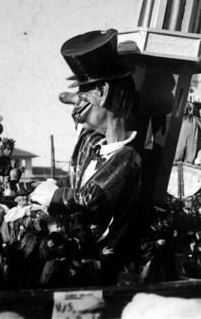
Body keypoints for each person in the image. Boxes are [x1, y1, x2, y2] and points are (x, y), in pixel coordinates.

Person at [59, 28, 141, 285]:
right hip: (76, 272)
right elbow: (72, 106)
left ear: (103, 92)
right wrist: (79, 99)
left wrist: (49, 195)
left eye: (84, 94)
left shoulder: (125, 159)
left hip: (101, 278)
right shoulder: (92, 142)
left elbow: (87, 199)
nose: (76, 109)